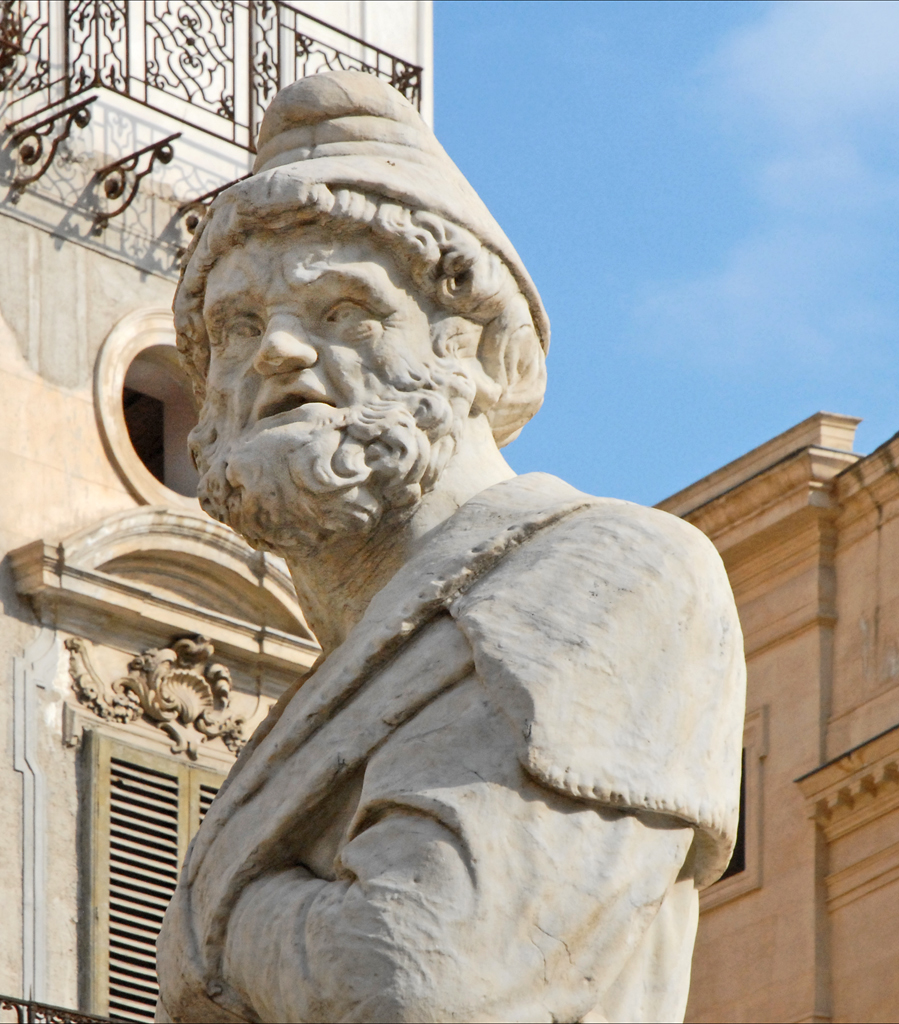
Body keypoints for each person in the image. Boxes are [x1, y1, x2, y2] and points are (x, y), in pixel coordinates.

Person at [156, 71, 745, 1023]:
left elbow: (419, 976)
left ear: (469, 352)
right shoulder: (324, 689)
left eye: (344, 310)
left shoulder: (614, 574)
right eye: (237, 326)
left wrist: (217, 914)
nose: (276, 352)